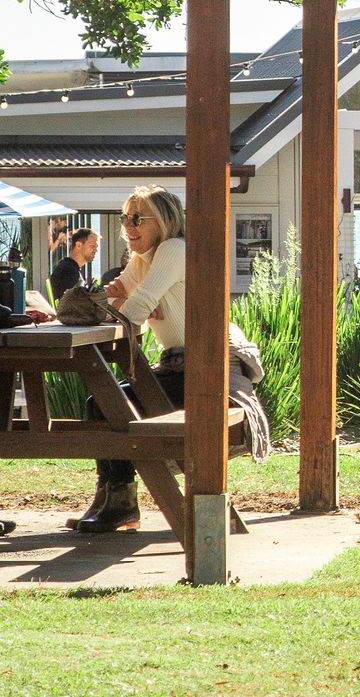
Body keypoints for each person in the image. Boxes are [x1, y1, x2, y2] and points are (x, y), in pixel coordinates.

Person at [74, 186, 265, 535]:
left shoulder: (173, 249)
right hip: (181, 366)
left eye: (137, 219)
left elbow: (133, 309)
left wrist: (126, 306)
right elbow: (112, 299)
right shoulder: (143, 259)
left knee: (107, 403)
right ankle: (113, 500)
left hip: (211, 372)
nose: (128, 226)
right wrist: (114, 302)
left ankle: (120, 503)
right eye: (125, 218)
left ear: (163, 221)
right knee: (102, 402)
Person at [49, 226, 99, 299]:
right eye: (92, 246)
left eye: (96, 247)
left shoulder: (68, 267)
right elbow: (71, 303)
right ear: (78, 245)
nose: (95, 250)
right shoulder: (69, 272)